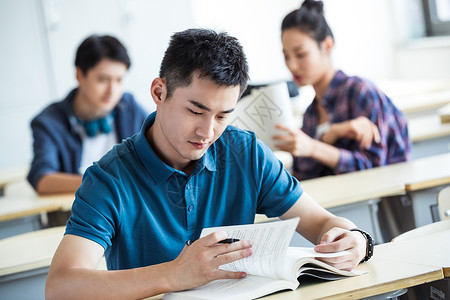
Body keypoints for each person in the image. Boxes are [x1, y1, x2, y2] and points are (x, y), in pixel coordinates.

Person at [46, 28, 370, 299]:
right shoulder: (107, 179)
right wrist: (174, 274)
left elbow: (322, 223)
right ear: (159, 92)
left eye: (223, 116)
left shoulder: (246, 153)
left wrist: (357, 240)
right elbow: (60, 287)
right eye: (195, 111)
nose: (207, 131)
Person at [273, 0, 411, 180]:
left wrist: (315, 147)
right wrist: (330, 136)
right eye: (286, 56)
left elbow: (376, 166)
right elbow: (304, 174)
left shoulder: (361, 92)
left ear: (327, 46)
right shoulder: (311, 113)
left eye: (300, 54)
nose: (292, 65)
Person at [27, 35, 147, 195]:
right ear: (79, 75)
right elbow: (43, 180)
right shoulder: (49, 122)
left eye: (119, 80)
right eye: (103, 80)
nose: (112, 91)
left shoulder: (128, 107)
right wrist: (106, 180)